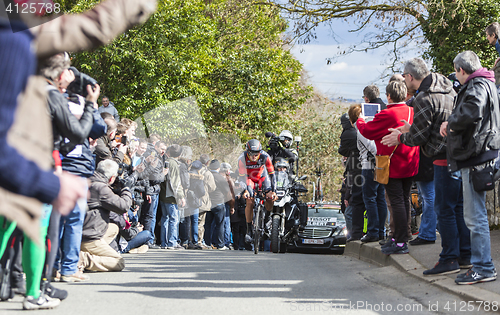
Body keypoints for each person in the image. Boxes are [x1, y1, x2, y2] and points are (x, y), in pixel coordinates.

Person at [382, 58, 471, 274]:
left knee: (444, 210)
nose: (404, 79)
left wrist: (402, 137)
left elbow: (420, 136)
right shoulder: (449, 89)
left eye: (404, 76)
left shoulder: (423, 98)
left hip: (440, 158)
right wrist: (410, 128)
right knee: (458, 208)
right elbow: (436, 124)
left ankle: (449, 258)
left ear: (411, 76)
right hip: (457, 155)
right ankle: (465, 255)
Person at [441, 51, 499, 285]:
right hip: (483, 154)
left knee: (474, 217)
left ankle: (483, 267)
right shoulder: (488, 83)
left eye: (456, 71)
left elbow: (473, 110)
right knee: (476, 215)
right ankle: (482, 265)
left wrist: (451, 123)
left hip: (476, 157)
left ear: (461, 70)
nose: (456, 75)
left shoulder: (476, 85)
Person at [357, 80, 419, 255]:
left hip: (393, 163)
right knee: (405, 199)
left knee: (396, 201)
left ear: (389, 96)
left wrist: (360, 121)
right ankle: (403, 235)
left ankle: (400, 242)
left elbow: (368, 131)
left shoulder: (387, 114)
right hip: (411, 161)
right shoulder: (411, 111)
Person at [79, 160, 132, 272]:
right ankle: (82, 259)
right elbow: (123, 206)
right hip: (90, 237)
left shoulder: (90, 181)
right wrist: (126, 190)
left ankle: (87, 253)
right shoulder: (101, 188)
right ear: (112, 178)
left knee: (113, 227)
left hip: (84, 231)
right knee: (119, 262)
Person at [349, 104, 387, 243]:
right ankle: (381, 231)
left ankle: (373, 231)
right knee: (380, 199)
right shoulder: (375, 126)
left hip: (369, 166)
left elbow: (372, 147)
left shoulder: (361, 128)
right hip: (382, 164)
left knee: (370, 198)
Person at [237, 139, 277, 243]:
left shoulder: (265, 156)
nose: (254, 156)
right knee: (249, 200)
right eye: (251, 154)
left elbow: (272, 175)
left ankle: (268, 217)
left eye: (256, 154)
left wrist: (274, 191)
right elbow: (242, 178)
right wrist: (244, 190)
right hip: (249, 178)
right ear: (247, 152)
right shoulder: (242, 158)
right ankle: (249, 229)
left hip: (262, 178)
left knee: (269, 197)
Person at [338, 113, 365, 241]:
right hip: (359, 176)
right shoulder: (357, 133)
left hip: (357, 177)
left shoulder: (350, 135)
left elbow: (351, 180)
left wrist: (347, 195)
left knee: (353, 210)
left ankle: (355, 234)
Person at [159, 144, 186, 249]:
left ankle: (163, 242)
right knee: (173, 219)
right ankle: (172, 242)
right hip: (171, 196)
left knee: (165, 218)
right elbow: (175, 183)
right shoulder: (174, 164)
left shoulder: (166, 162)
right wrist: (181, 196)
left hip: (163, 194)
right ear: (179, 154)